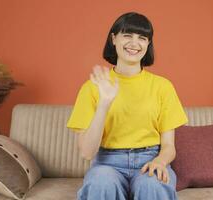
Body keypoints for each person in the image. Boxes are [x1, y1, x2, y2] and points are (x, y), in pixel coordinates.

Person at [66, 11, 188, 200]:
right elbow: (87, 152)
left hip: (150, 159)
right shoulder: (92, 87)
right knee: (101, 183)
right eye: (127, 35)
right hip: (107, 164)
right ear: (114, 39)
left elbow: (169, 146)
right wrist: (104, 104)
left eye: (142, 38)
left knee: (153, 185)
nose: (134, 43)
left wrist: (160, 162)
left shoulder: (163, 86)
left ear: (148, 44)